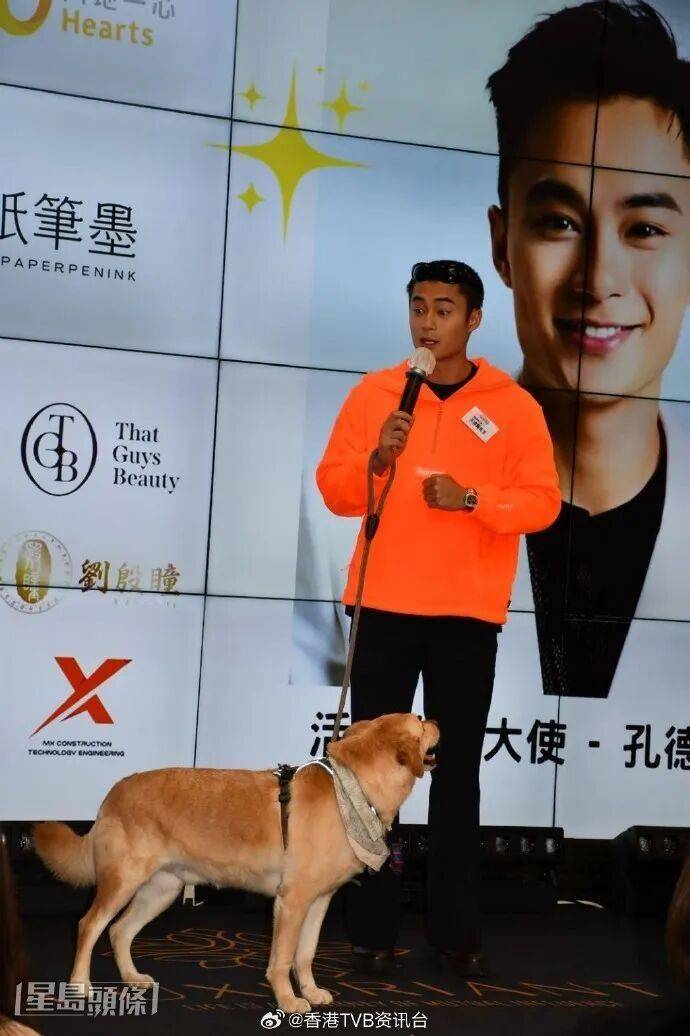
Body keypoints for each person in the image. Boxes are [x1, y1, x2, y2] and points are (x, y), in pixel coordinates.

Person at [315, 259, 561, 974]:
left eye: (444, 309)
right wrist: (377, 458)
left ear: (474, 319)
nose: (428, 322)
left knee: (455, 778)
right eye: (419, 307)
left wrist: (473, 500)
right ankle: (371, 932)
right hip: (383, 607)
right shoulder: (376, 393)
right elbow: (334, 488)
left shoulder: (512, 406)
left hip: (465, 615)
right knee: (368, 777)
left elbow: (542, 502)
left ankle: (456, 933)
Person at [486, 0, 690, 698]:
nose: (599, 280)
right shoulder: (361, 518)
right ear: (502, 246)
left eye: (644, 230)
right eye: (560, 222)